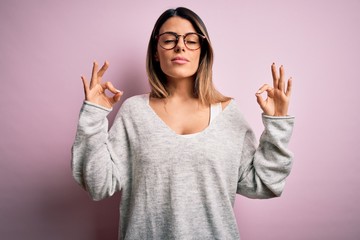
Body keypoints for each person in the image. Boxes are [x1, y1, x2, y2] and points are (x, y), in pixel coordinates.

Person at [72, 7, 294, 240]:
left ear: (203, 51)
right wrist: (94, 116)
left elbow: (264, 184)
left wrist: (277, 124)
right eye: (169, 39)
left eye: (191, 40)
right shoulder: (134, 112)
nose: (180, 46)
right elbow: (98, 185)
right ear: (156, 52)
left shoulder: (229, 114)